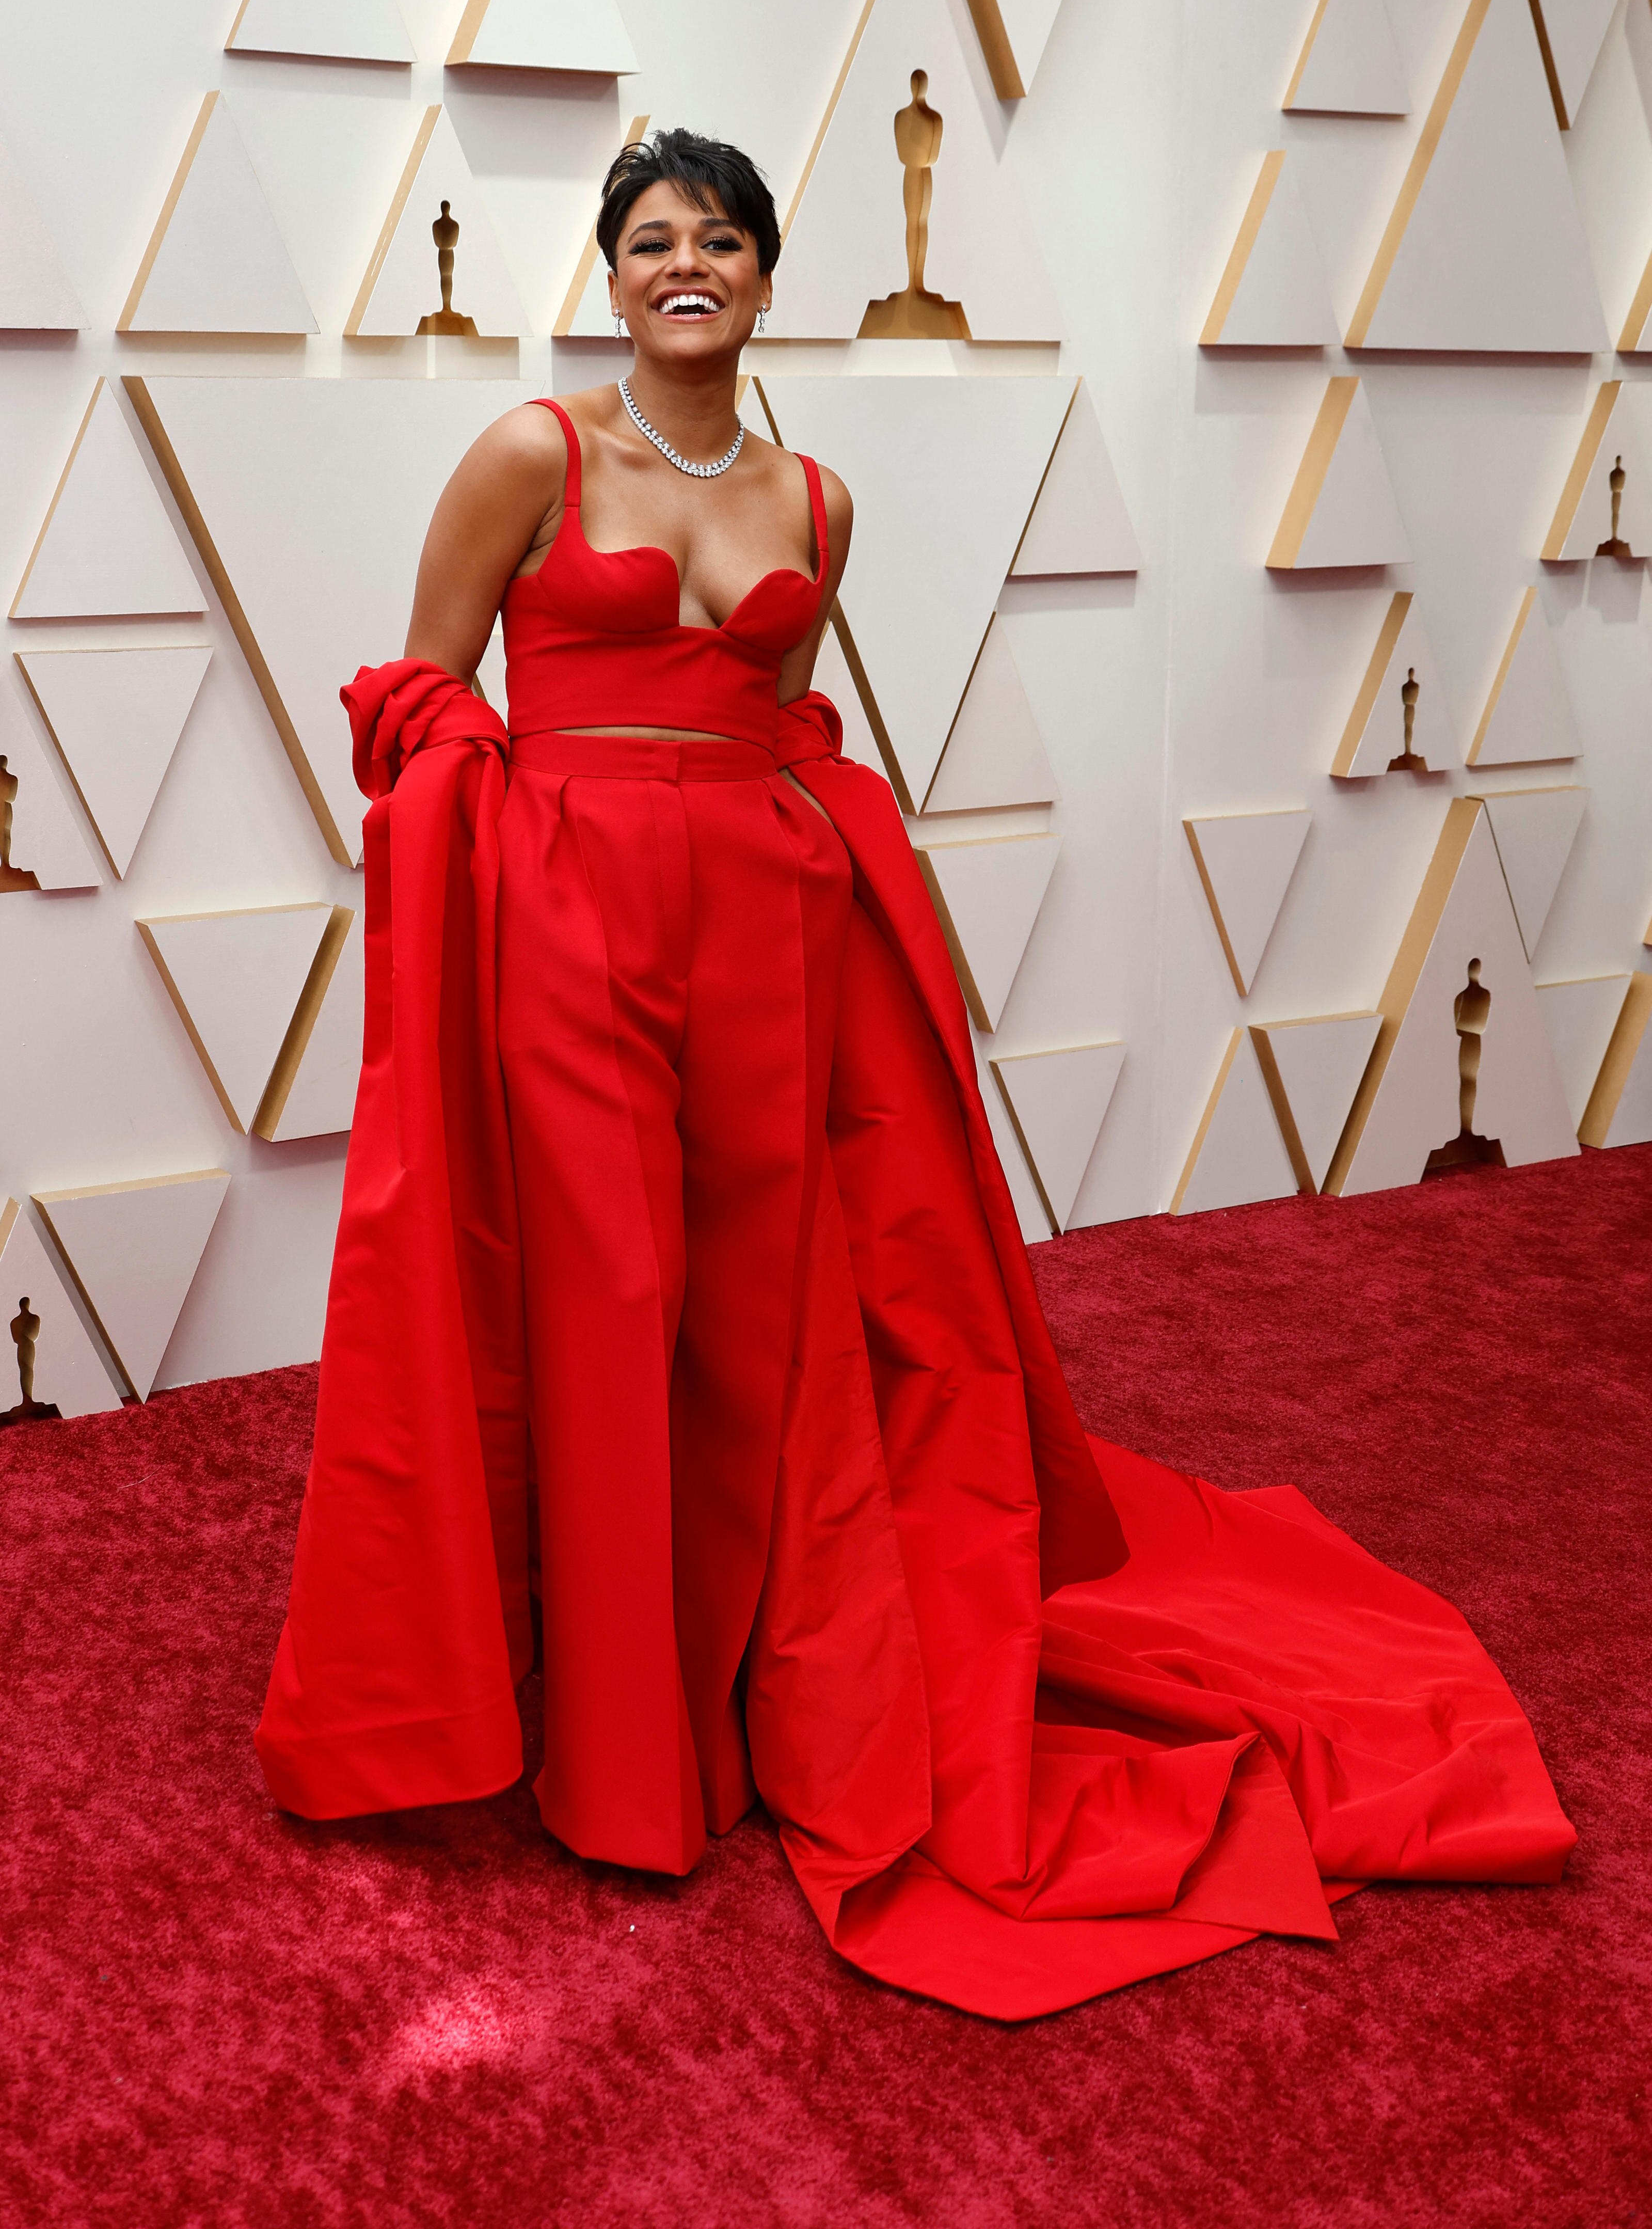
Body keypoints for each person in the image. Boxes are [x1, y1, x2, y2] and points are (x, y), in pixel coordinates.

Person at [257, 130, 1572, 2020]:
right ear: (611, 281)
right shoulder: (535, 457)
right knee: (616, 1300)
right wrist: (516, 874)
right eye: (650, 241)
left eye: (719, 238)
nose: (683, 263)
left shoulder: (819, 494)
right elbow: (425, 698)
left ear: (770, 281)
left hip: (772, 947)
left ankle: (758, 1689)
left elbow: (787, 720)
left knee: (765, 1330)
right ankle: (624, 1746)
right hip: (575, 940)